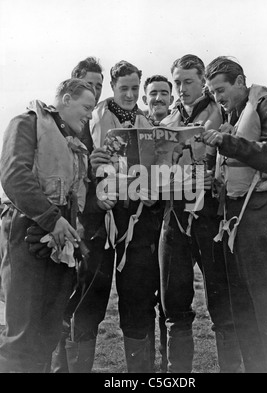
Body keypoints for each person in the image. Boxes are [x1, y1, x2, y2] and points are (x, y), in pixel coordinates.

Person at [203, 56, 267, 373]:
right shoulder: (231, 115)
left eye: (221, 89)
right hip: (236, 219)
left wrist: (229, 143)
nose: (218, 98)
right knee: (244, 312)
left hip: (263, 214)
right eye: (214, 93)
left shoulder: (266, 104)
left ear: (241, 82)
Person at [0, 78, 96, 373]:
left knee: (48, 331)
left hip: (59, 243)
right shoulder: (27, 123)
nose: (90, 115)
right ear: (66, 99)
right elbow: (14, 175)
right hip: (27, 233)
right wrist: (51, 219)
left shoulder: (73, 142)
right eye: (86, 107)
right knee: (23, 334)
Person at [159, 54, 242, 373]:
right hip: (175, 218)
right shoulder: (165, 123)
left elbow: (238, 160)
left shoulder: (223, 112)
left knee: (224, 308)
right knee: (174, 307)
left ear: (203, 81)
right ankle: (177, 377)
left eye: (188, 81)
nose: (181, 88)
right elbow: (153, 177)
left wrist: (216, 177)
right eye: (177, 82)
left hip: (212, 219)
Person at [89, 60, 163, 373]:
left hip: (141, 214)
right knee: (93, 295)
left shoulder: (145, 120)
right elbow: (94, 166)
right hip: (106, 213)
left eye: (135, 88)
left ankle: (142, 370)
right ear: (112, 87)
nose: (130, 94)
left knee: (139, 289)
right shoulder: (98, 116)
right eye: (124, 89)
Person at [51, 57, 116, 373]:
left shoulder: (98, 124)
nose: (94, 93)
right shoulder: (59, 126)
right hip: (69, 227)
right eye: (89, 85)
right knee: (65, 305)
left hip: (98, 229)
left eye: (99, 87)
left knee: (91, 307)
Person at [142, 74, 174, 372]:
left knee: (168, 301)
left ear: (171, 99)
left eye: (164, 93)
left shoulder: (179, 129)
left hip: (171, 220)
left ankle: (167, 368)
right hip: (140, 225)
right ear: (145, 99)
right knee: (141, 300)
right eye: (153, 94)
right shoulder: (135, 131)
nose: (159, 99)